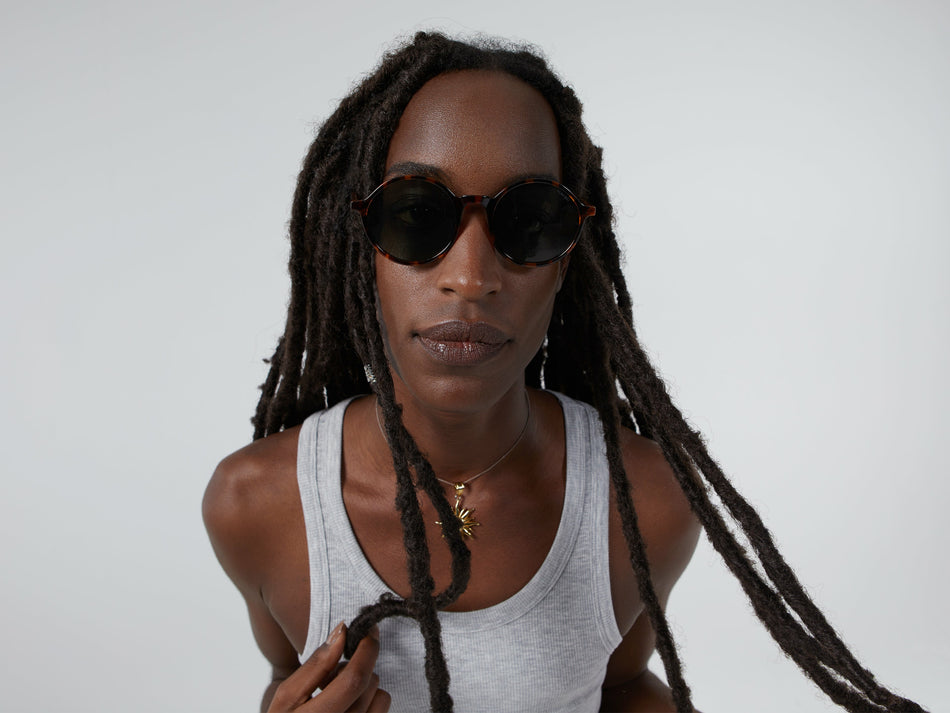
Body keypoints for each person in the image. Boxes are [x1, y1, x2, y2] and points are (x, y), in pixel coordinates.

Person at [203, 32, 926, 713]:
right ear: (357, 247)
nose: (470, 277)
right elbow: (287, 681)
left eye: (530, 220)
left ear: (568, 263)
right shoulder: (257, 506)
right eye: (416, 215)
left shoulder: (644, 501)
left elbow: (621, 688)